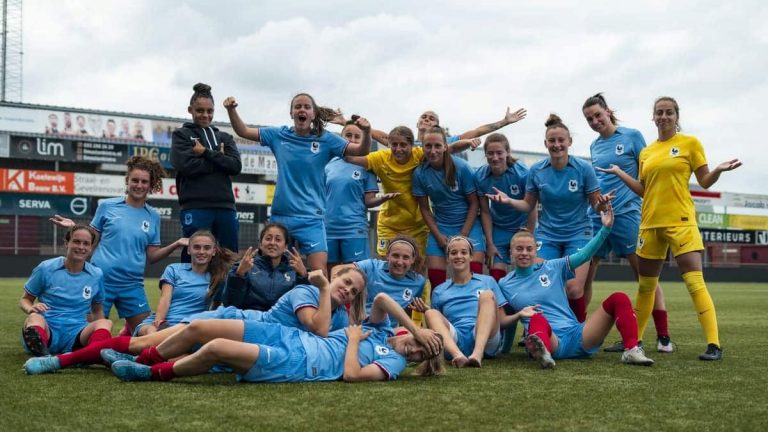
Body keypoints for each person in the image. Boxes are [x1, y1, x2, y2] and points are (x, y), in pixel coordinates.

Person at [596, 96, 741, 361]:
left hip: (681, 222)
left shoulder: (690, 143)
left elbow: (705, 181)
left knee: (694, 282)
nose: (663, 116)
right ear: (653, 117)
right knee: (645, 287)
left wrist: (718, 169)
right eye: (659, 112)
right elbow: (643, 189)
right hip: (650, 224)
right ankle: (634, 342)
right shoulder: (647, 152)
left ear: (676, 116)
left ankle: (714, 345)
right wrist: (619, 173)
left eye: (669, 112)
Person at [22, 267, 368, 375]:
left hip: (254, 345)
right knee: (147, 341)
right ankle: (58, 361)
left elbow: (339, 334)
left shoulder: (338, 311)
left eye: (353, 291)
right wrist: (324, 287)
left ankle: (132, 363)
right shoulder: (308, 293)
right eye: (345, 283)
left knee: (168, 354)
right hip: (237, 321)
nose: (347, 291)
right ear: (333, 277)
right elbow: (318, 329)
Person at [107, 289, 443, 383]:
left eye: (420, 354)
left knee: (215, 348)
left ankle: (150, 373)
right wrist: (415, 328)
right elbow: (383, 299)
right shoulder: (388, 332)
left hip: (301, 362)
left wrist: (354, 341)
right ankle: (141, 357)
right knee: (198, 328)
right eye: (420, 343)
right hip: (290, 337)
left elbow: (352, 375)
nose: (414, 350)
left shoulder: (394, 362)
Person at [224, 93, 372, 273]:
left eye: (307, 107)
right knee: (272, 268)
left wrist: (366, 131)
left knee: (319, 272)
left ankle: (319, 301)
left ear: (313, 114)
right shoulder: (278, 135)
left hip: (311, 218)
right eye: (298, 106)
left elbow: (360, 150)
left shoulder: (326, 139)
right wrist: (231, 110)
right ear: (291, 113)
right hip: (282, 216)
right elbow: (243, 131)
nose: (302, 110)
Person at [487, 114, 612, 322]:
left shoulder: (583, 169)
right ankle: (540, 326)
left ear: (569, 142)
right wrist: (509, 200)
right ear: (545, 143)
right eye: (552, 141)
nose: (557, 145)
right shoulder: (536, 170)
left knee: (573, 288)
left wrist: (603, 203)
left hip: (578, 233)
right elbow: (528, 205)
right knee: (539, 284)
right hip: (548, 235)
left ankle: (578, 329)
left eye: (561, 140)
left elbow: (595, 204)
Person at [498, 203, 655, 368]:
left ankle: (632, 350)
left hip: (577, 335)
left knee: (619, 298)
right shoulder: (505, 283)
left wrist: (605, 230)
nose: (524, 253)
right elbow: (508, 320)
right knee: (537, 318)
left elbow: (583, 255)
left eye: (529, 249)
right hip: (552, 341)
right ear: (511, 252)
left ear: (535, 251)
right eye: (519, 249)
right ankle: (544, 353)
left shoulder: (552, 266)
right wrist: (505, 349)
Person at [50, 156, 188, 335]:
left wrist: (176, 244)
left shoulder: (153, 215)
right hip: (101, 281)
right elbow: (91, 240)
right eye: (135, 180)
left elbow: (152, 256)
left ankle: (126, 332)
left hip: (132, 285)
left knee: (148, 334)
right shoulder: (107, 206)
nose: (139, 185)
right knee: (88, 334)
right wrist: (74, 227)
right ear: (127, 181)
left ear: (151, 184)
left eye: (144, 181)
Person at [581, 93, 674, 353]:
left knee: (644, 277)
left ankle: (663, 337)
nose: (595, 121)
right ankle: (578, 329)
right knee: (585, 276)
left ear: (608, 112)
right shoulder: (594, 146)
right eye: (589, 119)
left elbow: (647, 176)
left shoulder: (632, 136)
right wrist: (598, 203)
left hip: (627, 215)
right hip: (599, 217)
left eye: (598, 115)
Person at [423, 236, 534, 368]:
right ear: (447, 259)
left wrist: (519, 315)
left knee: (486, 295)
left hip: (486, 340)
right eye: (453, 253)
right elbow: (439, 328)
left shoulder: (488, 281)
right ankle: (458, 356)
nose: (459, 256)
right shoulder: (439, 291)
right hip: (457, 339)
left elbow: (501, 321)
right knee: (431, 313)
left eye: (464, 252)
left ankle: (477, 354)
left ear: (471, 257)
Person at [171, 83, 242, 262]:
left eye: (209, 111)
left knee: (228, 259)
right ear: (190, 110)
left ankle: (227, 291)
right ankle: (190, 291)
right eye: (200, 110)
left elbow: (235, 166)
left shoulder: (224, 137)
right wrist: (219, 160)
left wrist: (205, 153)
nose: (205, 115)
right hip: (196, 206)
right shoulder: (181, 135)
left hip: (225, 206)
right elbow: (187, 166)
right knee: (194, 258)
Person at [19, 225, 111, 357]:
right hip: (48, 328)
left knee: (105, 322)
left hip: (77, 332)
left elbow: (97, 310)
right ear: (67, 243)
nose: (81, 247)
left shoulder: (96, 275)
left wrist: (100, 333)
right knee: (34, 318)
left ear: (91, 248)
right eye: (76, 241)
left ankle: (90, 353)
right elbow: (25, 299)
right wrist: (30, 309)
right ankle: (44, 356)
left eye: (86, 243)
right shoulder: (45, 268)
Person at [413, 126, 486, 288]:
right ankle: (439, 312)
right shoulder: (420, 173)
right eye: (428, 146)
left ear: (445, 146)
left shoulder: (462, 168)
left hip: (468, 226)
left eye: (437, 146)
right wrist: (438, 236)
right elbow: (425, 209)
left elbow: (475, 203)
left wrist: (463, 236)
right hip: (441, 228)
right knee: (436, 279)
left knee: (475, 278)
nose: (433, 151)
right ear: (422, 147)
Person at [325, 117, 397, 273]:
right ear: (341, 138)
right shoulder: (329, 164)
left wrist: (382, 199)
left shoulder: (367, 165)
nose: (352, 139)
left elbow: (369, 201)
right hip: (328, 229)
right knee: (330, 274)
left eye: (357, 136)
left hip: (354, 229)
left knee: (356, 274)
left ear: (364, 139)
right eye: (348, 135)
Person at [134, 230, 237, 336]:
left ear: (214, 251)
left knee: (164, 342)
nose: (201, 252)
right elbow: (165, 299)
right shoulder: (173, 269)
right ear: (189, 250)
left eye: (207, 248)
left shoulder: (218, 278)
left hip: (189, 328)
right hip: (160, 324)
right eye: (196, 247)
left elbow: (216, 306)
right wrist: (159, 323)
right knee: (149, 332)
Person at [333, 235, 426, 325]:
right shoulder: (372, 266)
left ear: (413, 259)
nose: (400, 262)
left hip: (387, 332)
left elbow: (409, 312)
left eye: (405, 257)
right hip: (358, 324)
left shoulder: (418, 282)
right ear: (387, 255)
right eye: (395, 256)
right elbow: (337, 270)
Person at [223, 223, 308, 311]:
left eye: (278, 240)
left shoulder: (294, 271)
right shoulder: (244, 266)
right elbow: (230, 304)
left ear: (285, 247)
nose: (272, 243)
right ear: (260, 243)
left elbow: (303, 306)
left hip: (281, 320)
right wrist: (238, 276)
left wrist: (303, 277)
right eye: (268, 238)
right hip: (250, 319)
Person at [368, 107, 527, 147]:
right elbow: (379, 135)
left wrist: (504, 122)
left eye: (431, 119)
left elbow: (477, 131)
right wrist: (344, 122)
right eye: (423, 117)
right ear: (417, 123)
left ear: (436, 126)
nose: (426, 119)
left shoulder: (447, 142)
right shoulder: (404, 144)